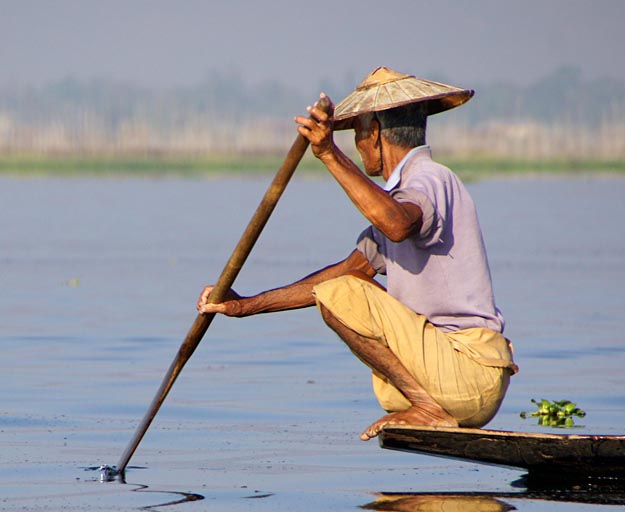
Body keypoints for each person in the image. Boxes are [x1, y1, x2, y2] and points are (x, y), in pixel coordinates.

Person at [198, 66, 517, 440]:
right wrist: (247, 305)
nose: (358, 144)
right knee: (340, 286)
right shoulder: (398, 198)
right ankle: (423, 404)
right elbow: (344, 273)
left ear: (374, 132)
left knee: (340, 294)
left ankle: (427, 408)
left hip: (466, 372)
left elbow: (397, 224)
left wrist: (329, 154)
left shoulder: (429, 179)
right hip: (447, 374)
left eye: (358, 135)